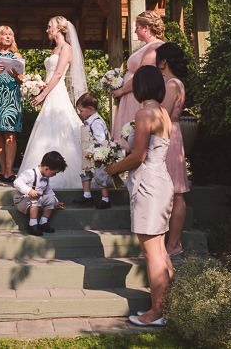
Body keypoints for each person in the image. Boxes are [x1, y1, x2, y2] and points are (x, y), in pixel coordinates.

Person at [104, 65, 174, 328]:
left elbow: (138, 155)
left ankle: (156, 312)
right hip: (161, 181)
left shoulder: (145, 113)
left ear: (142, 86)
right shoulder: (163, 113)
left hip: (149, 184)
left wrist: (112, 167)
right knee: (159, 248)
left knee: (151, 252)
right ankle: (167, 305)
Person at [18, 16, 87, 190]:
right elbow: (49, 75)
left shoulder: (66, 48)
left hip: (57, 92)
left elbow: (57, 75)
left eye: (50, 27)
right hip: (49, 90)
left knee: (60, 127)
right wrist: (37, 85)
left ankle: (64, 174)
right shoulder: (54, 49)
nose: (47, 30)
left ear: (59, 29)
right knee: (46, 128)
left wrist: (43, 95)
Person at [156, 42, 191, 260]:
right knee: (176, 191)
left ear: (163, 61)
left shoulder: (171, 85)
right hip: (175, 134)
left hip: (167, 136)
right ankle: (173, 243)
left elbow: (163, 116)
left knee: (174, 192)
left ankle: (172, 244)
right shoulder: (178, 83)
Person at [110, 10, 165, 140]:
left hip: (136, 97)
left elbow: (143, 75)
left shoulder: (155, 47)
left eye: (137, 28)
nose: (135, 31)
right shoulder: (146, 47)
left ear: (146, 28)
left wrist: (122, 90)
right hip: (131, 95)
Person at [0, 26, 24, 183]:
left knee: (10, 134)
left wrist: (16, 75)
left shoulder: (17, 55)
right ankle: (2, 171)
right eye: (5, 34)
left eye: (10, 34)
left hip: (12, 96)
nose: (8, 37)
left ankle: (10, 171)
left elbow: (22, 79)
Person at [13, 150, 68, 236]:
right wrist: (29, 190)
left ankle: (43, 222)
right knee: (36, 197)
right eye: (54, 173)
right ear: (47, 169)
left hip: (36, 203)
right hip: (22, 201)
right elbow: (17, 182)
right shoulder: (30, 173)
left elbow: (48, 190)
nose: (54, 175)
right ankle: (33, 224)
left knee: (51, 198)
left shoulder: (45, 177)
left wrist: (56, 202)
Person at [73, 92, 113, 209]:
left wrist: (96, 153)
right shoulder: (90, 120)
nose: (80, 113)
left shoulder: (96, 122)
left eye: (81, 111)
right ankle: (87, 196)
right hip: (88, 153)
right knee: (85, 173)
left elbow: (100, 140)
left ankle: (105, 199)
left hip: (97, 155)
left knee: (100, 176)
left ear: (90, 108)